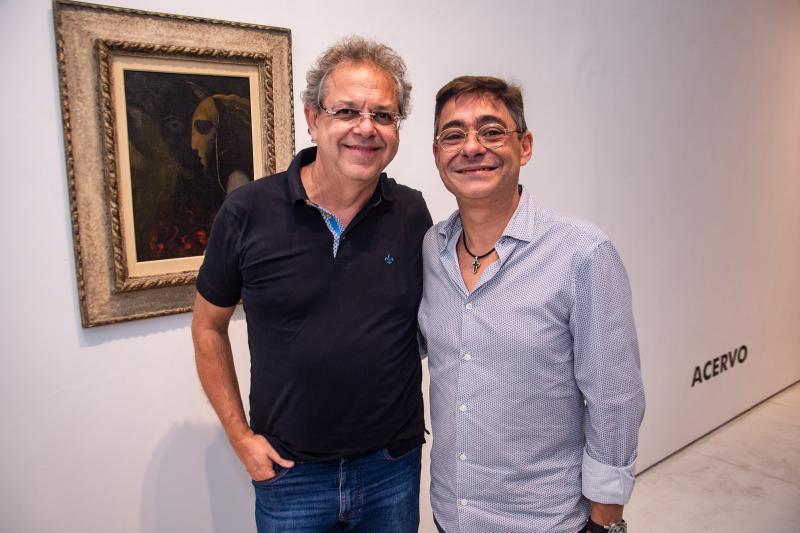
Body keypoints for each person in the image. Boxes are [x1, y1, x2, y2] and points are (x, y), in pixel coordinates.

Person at [191, 36, 431, 533]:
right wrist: (240, 438)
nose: (366, 127)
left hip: (391, 469)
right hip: (290, 475)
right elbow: (208, 327)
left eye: (383, 115)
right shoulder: (246, 211)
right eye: (347, 111)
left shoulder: (411, 212)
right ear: (312, 117)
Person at [418, 76, 645, 533]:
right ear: (438, 154)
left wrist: (605, 522)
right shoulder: (431, 248)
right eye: (454, 135)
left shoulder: (582, 253)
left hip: (545, 520)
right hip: (451, 514)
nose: (472, 147)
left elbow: (615, 399)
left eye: (491, 131)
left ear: (524, 146)